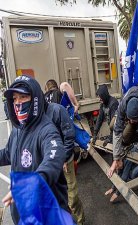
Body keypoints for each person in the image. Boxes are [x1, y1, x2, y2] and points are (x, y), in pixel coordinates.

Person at [1, 75, 69, 224]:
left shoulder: (47, 130)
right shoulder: (18, 130)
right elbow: (8, 154)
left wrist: (32, 183)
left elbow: (54, 156)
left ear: (35, 100)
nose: (18, 103)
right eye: (15, 98)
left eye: (23, 97)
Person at [45, 91, 86, 224]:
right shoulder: (38, 115)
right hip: (51, 163)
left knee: (72, 197)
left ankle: (80, 220)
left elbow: (69, 136)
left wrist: (63, 157)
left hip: (65, 160)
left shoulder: (58, 111)